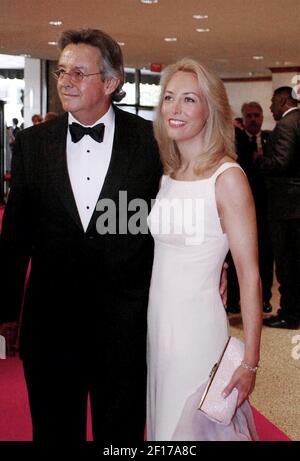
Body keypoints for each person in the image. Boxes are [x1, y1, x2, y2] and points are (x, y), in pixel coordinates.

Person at [0, 28, 162, 443]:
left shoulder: (150, 143)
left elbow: (168, 226)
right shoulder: (32, 144)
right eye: (61, 71)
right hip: (50, 325)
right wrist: (5, 311)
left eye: (79, 72)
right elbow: (16, 233)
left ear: (110, 83)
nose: (66, 80)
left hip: (125, 328)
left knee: (122, 437)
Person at [146, 58, 262, 441]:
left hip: (199, 332)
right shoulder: (168, 175)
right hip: (159, 328)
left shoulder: (227, 178)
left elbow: (250, 276)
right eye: (169, 98)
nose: (174, 109)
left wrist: (250, 363)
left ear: (210, 108)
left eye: (189, 100)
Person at [255, 87, 300, 329]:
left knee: (286, 263)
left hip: (286, 208)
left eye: (273, 102)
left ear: (283, 101)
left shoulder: (285, 125)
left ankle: (290, 314)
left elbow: (280, 164)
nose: (271, 107)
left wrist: (259, 160)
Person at [227, 102, 273, 314]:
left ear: (262, 117)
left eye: (257, 115)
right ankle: (234, 299)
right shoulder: (235, 140)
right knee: (237, 254)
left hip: (266, 209)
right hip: (239, 207)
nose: (253, 119)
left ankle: (264, 299)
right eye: (249, 116)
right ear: (243, 119)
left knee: (264, 254)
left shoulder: (270, 139)